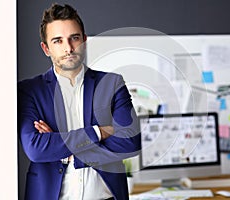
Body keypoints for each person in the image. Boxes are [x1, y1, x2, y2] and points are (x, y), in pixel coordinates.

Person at [18, 3, 140, 200]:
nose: (68, 48)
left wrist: (64, 149)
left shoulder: (112, 84)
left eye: (74, 38)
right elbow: (36, 149)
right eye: (58, 41)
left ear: (84, 40)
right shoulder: (29, 91)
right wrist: (100, 131)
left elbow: (130, 142)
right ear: (46, 48)